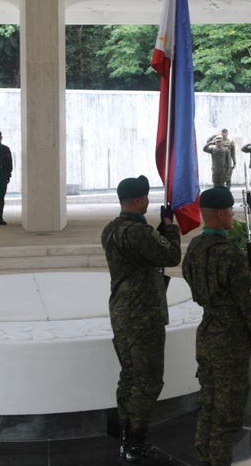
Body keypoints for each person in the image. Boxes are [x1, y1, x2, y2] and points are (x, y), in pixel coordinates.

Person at [181, 187, 251, 466]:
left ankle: (204, 457)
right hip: (230, 342)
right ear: (220, 213)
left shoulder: (195, 247)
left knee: (207, 403)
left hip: (207, 332)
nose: (233, 214)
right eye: (231, 210)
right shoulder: (230, 254)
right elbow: (249, 307)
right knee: (227, 414)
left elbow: (189, 278)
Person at [101, 175, 181, 465]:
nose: (148, 200)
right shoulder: (139, 233)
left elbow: (143, 255)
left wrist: (157, 232)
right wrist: (171, 230)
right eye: (146, 196)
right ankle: (135, 442)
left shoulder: (111, 229)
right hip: (143, 314)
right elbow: (171, 256)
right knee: (148, 380)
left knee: (130, 374)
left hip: (122, 310)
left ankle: (123, 431)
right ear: (137, 201)